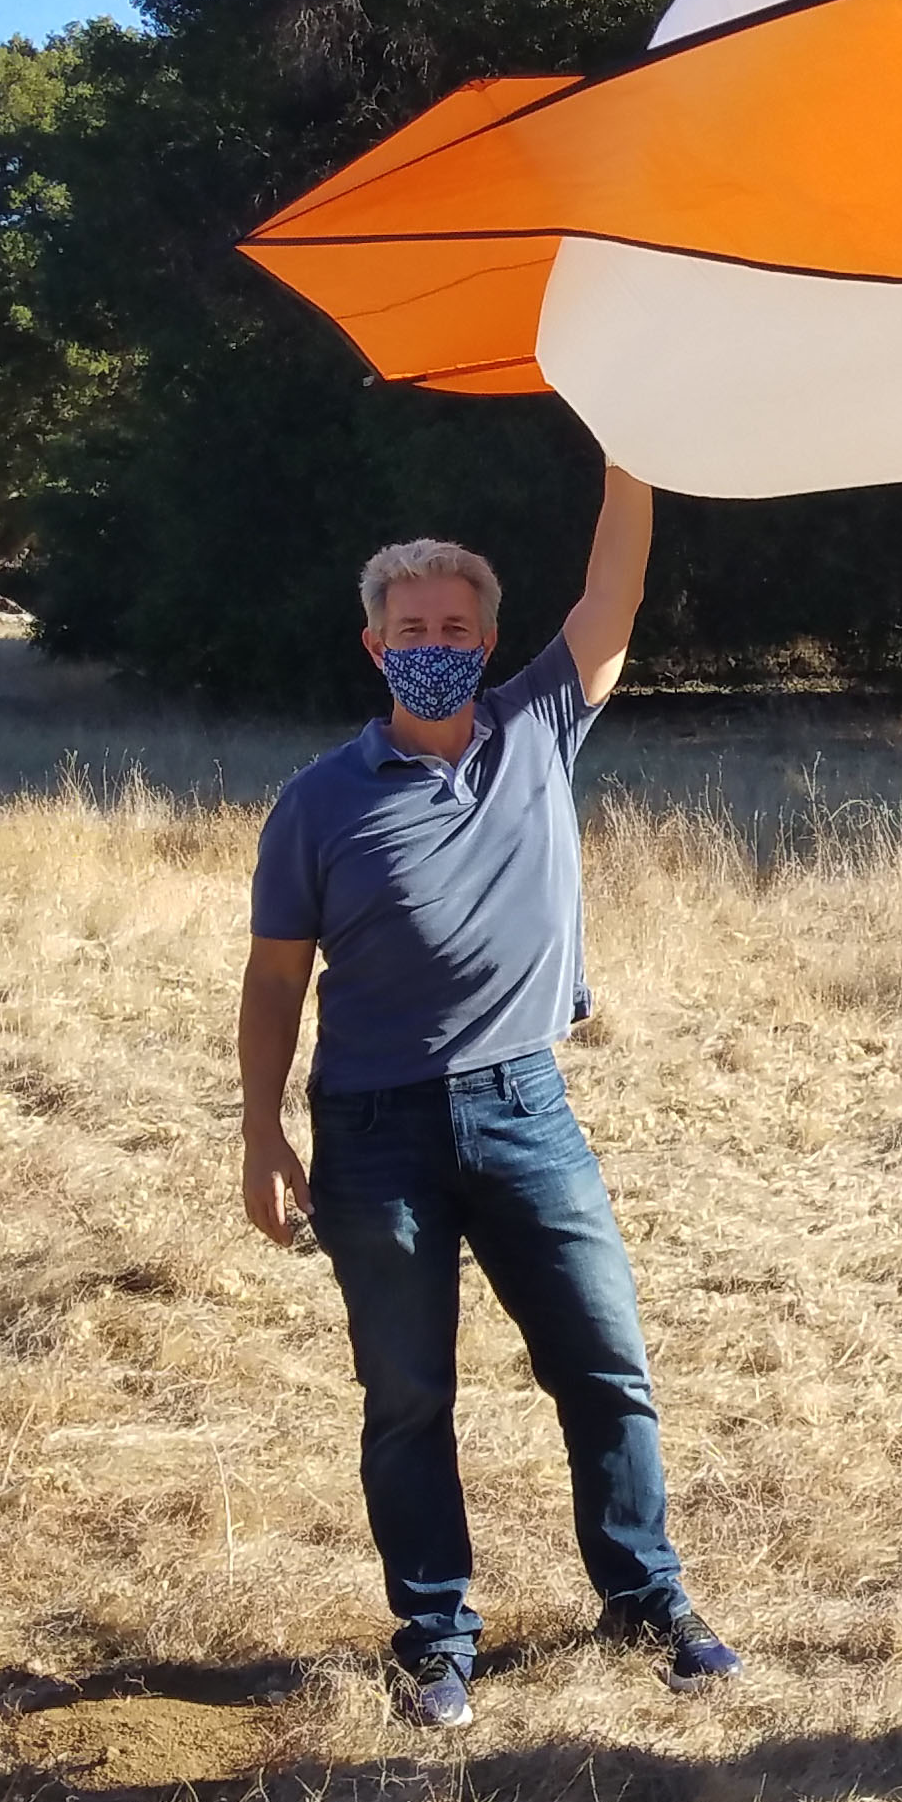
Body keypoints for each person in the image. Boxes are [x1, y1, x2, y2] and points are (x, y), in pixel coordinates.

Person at [237, 467, 739, 1728]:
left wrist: (630, 449)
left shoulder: (537, 730)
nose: (434, 649)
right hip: (371, 1130)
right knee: (409, 1397)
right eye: (411, 631)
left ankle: (646, 1598)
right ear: (373, 643)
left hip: (526, 1111)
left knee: (605, 1366)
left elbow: (612, 591)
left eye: (455, 629)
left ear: (488, 639)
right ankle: (435, 1635)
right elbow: (275, 974)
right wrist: (260, 1129)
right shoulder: (317, 803)